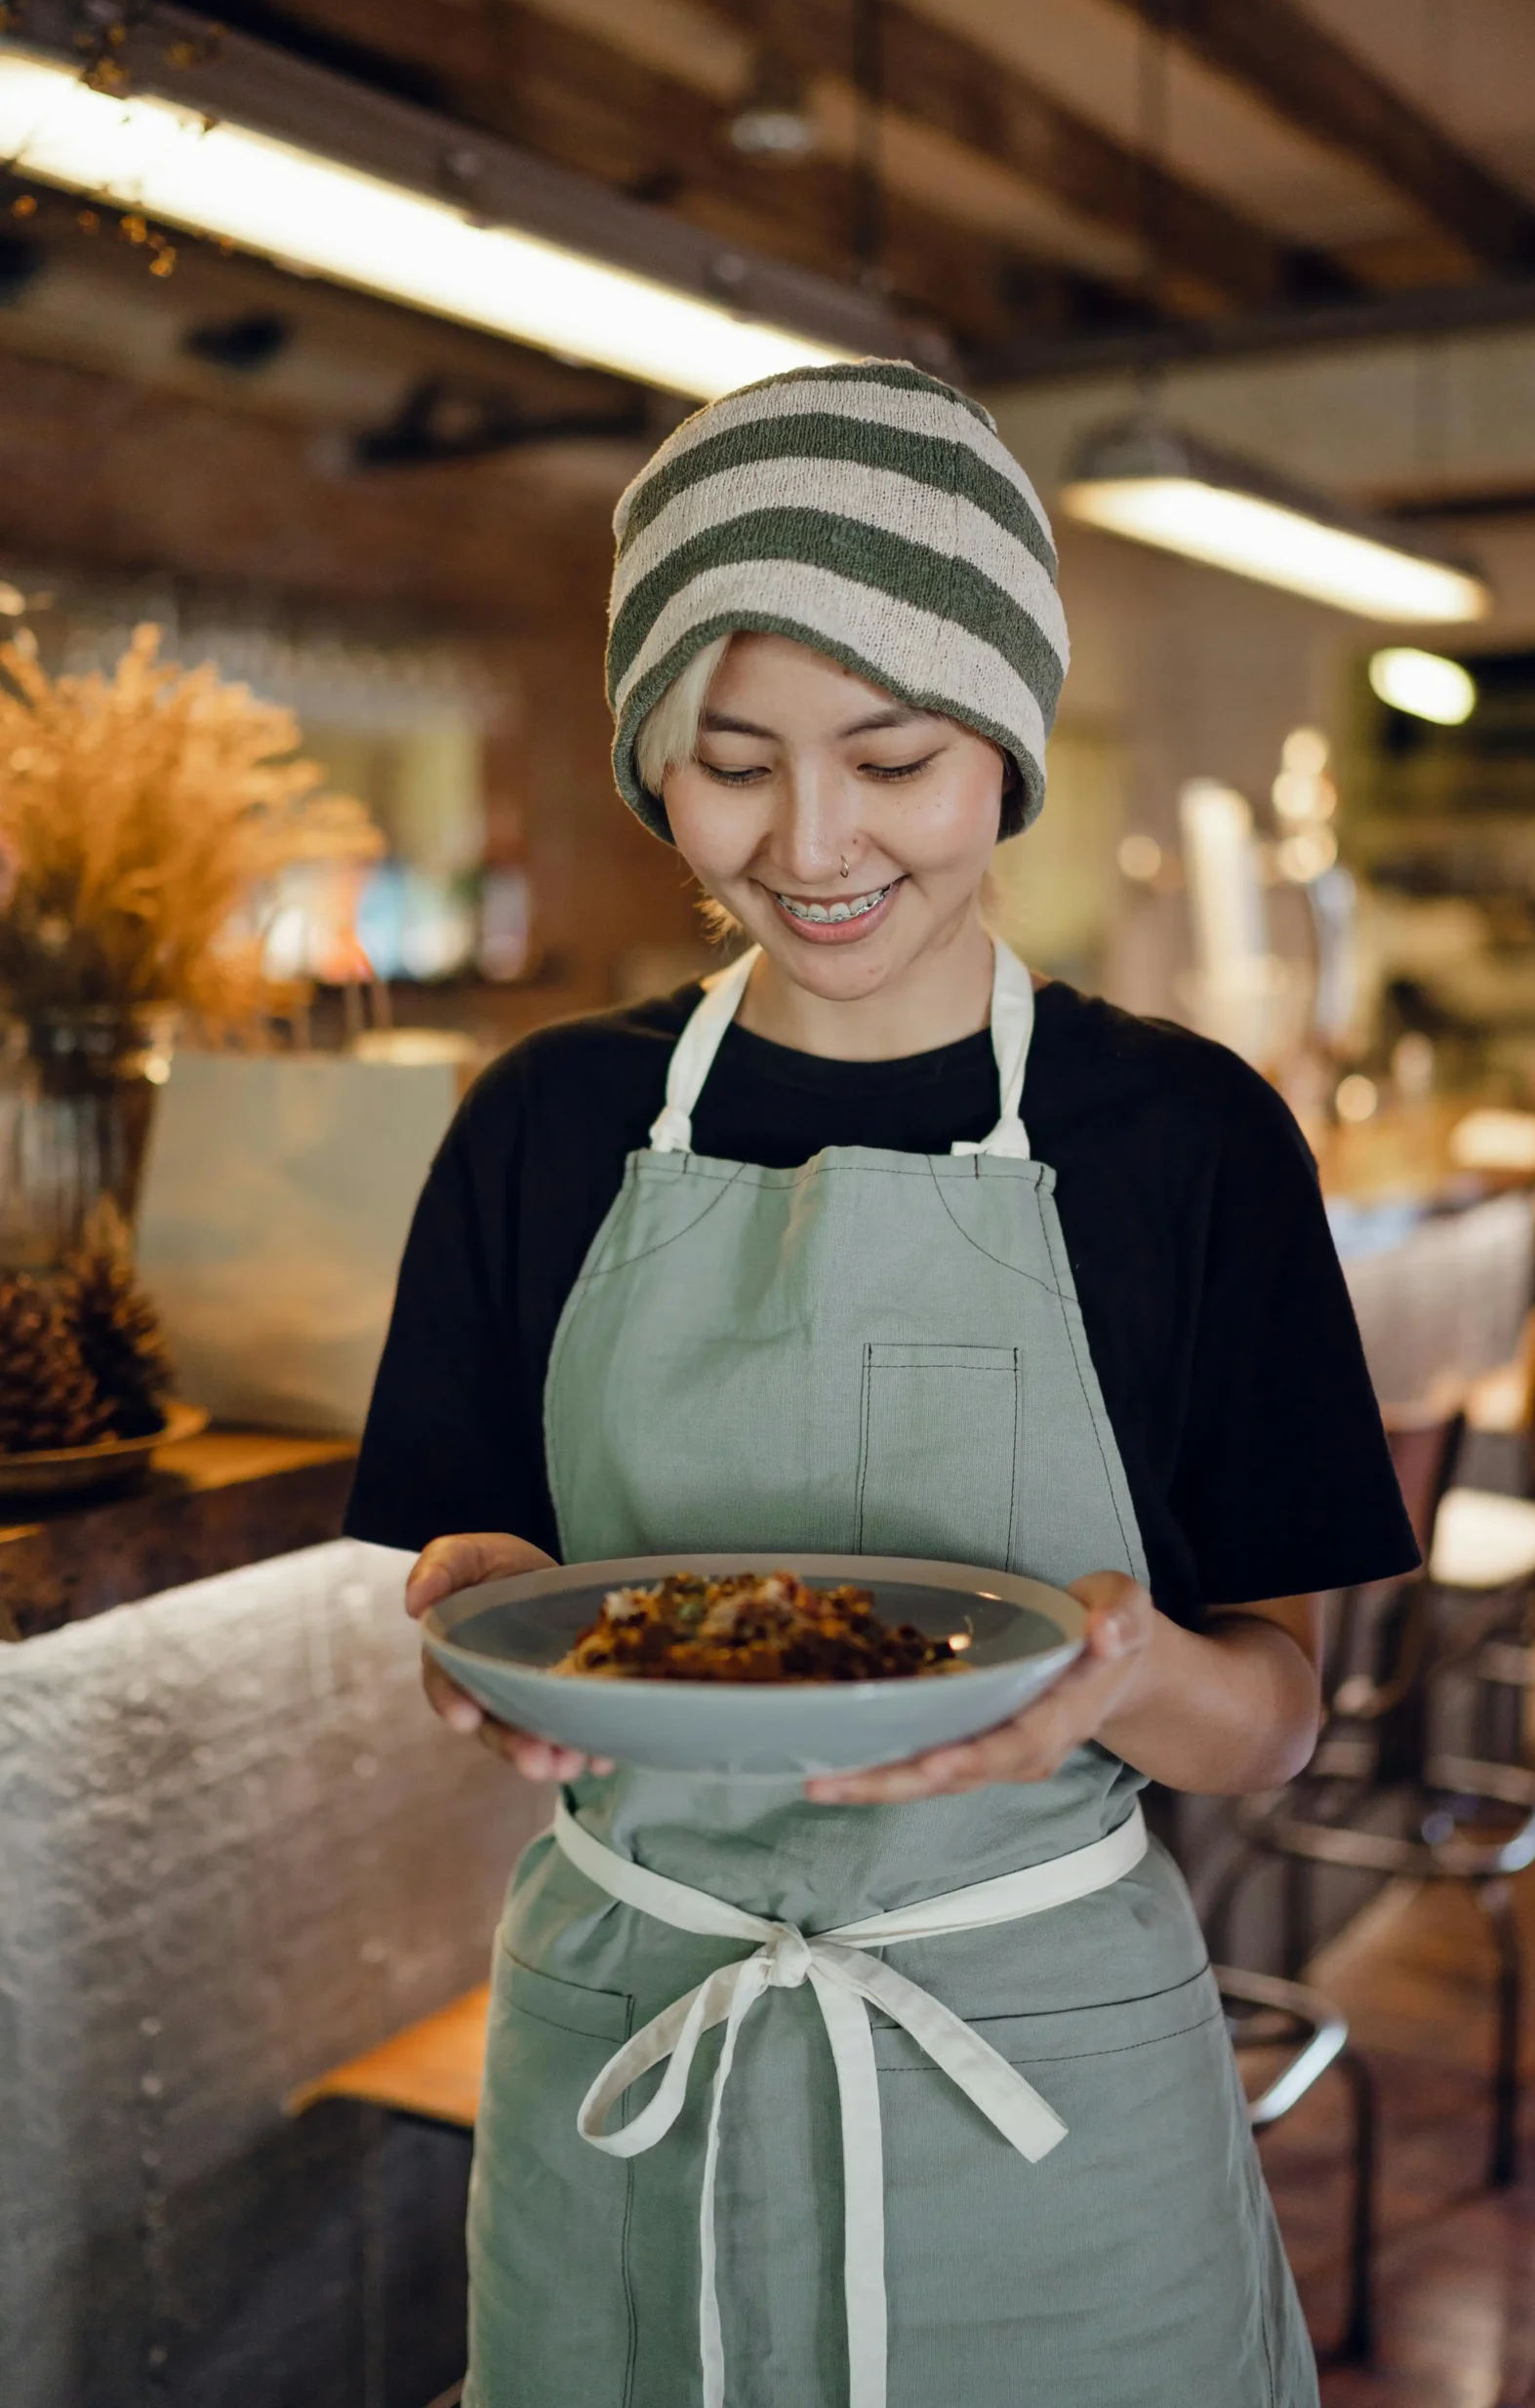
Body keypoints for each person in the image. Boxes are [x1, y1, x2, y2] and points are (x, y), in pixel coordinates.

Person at [347, 358, 1417, 2408]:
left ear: (1002, 747)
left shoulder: (1183, 1138)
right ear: (656, 762)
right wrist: (475, 1612)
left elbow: (1271, 1719)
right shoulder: (547, 1123)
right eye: (732, 760)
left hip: (1042, 2060)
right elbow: (497, 1571)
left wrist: (1119, 1676)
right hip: (625, 2036)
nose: (813, 840)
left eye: (895, 753)